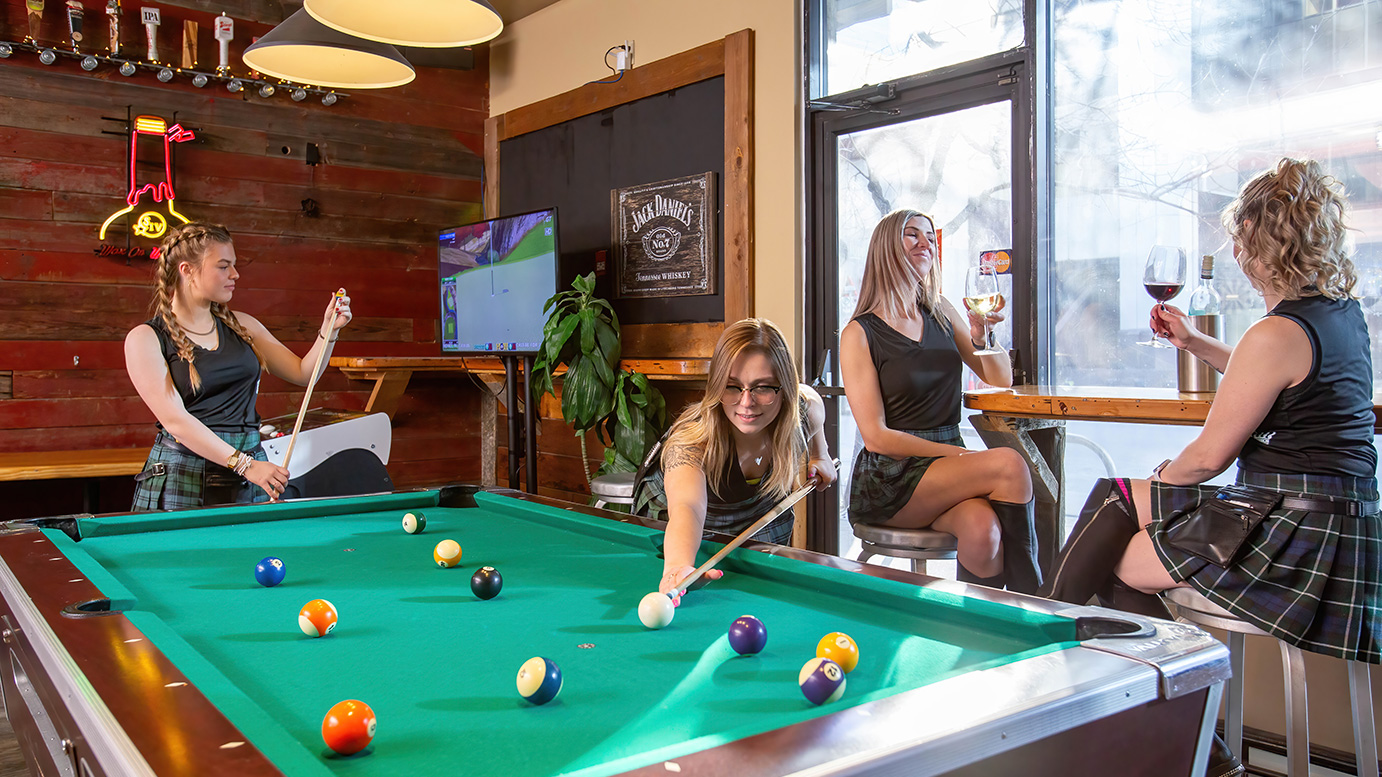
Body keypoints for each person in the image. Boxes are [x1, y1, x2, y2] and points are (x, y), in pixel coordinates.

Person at [1040, 158, 1380, 662]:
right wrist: (1195, 342)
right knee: (1119, 502)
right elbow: (1273, 379)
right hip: (1340, 523)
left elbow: (1208, 460)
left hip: (1294, 533)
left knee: (1118, 544)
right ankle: (1055, 640)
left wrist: (1163, 478)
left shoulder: (1276, 333)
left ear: (1253, 240)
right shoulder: (1342, 315)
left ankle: (1043, 644)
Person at [840, 209, 1040, 592]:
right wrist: (960, 456)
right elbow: (877, 438)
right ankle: (1038, 602)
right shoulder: (859, 333)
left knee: (984, 532)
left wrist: (982, 336)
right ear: (885, 247)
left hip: (946, 467)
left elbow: (1000, 377)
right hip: (891, 476)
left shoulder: (942, 310)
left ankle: (976, 624)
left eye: (930, 237)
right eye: (912, 234)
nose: (925, 243)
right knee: (1009, 464)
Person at [125, 222, 353, 510]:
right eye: (223, 266)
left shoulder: (243, 325)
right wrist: (245, 465)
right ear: (187, 270)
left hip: (251, 469)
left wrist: (329, 330)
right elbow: (176, 422)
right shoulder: (145, 338)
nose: (235, 274)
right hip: (185, 472)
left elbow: (303, 373)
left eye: (233, 265)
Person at [634, 319, 836, 596]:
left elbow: (812, 399)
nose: (746, 402)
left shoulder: (801, 413)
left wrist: (820, 455)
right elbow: (687, 508)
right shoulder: (691, 441)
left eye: (763, 387)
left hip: (757, 506)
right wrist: (678, 566)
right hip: (675, 517)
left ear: (785, 388)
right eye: (732, 386)